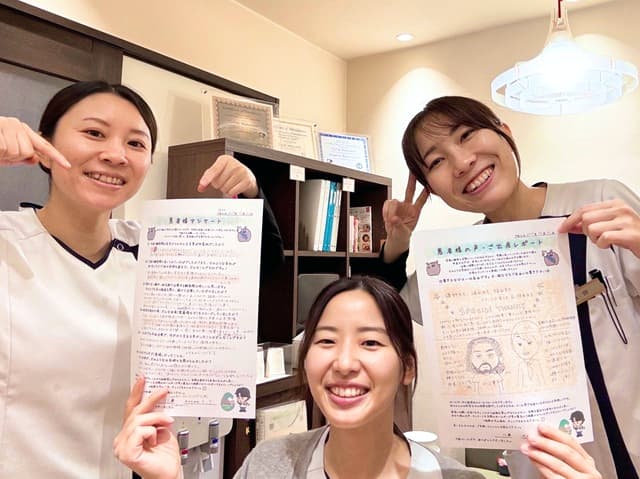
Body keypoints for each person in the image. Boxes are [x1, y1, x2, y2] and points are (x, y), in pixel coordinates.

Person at [0, 80, 283, 478]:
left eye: (135, 143)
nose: (115, 155)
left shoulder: (151, 245)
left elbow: (261, 268)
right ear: (44, 145)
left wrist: (251, 193)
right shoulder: (8, 241)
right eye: (94, 133)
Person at [379, 95, 639, 478]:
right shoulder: (459, 261)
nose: (461, 162)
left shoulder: (600, 201)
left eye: (467, 135)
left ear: (505, 132)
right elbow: (382, 313)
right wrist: (397, 243)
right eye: (436, 161)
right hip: (544, 470)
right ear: (432, 189)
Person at [115, 276, 601, 479]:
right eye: (325, 341)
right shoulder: (269, 465)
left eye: (371, 343)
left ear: (407, 366)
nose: (344, 362)